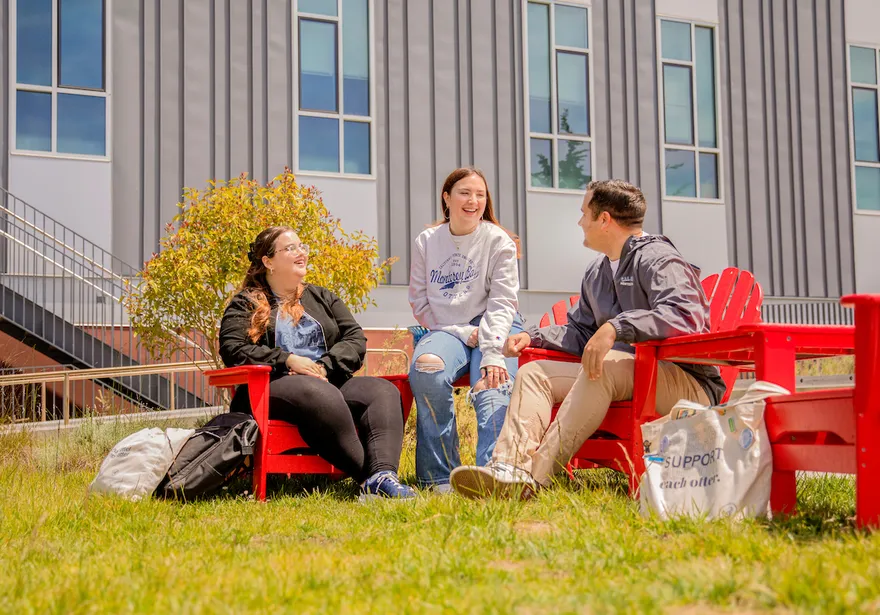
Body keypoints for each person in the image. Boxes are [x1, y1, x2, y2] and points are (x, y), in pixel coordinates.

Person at [449, 179, 726, 498]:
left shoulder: (658, 258)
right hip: (628, 374)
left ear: (604, 220)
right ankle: (510, 468)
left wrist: (615, 328)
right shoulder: (598, 273)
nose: (580, 222)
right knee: (535, 373)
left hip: (686, 382)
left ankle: (536, 479)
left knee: (601, 367)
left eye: (585, 214)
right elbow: (580, 331)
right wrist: (532, 336)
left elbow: (686, 315)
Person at [219, 226, 416, 500]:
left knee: (383, 391)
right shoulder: (247, 303)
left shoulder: (322, 297)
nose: (301, 253)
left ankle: (383, 476)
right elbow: (232, 349)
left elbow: (355, 338)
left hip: (327, 380)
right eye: (291, 248)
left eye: (302, 247)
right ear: (268, 261)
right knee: (316, 392)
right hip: (271, 388)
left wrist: (325, 366)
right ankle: (370, 479)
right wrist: (287, 359)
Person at [408, 167, 523, 492]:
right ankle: (439, 476)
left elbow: (502, 302)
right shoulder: (428, 241)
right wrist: (459, 331)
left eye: (480, 195)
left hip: (498, 322)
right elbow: (419, 300)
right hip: (446, 327)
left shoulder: (498, 241)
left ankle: (492, 474)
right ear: (446, 197)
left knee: (492, 382)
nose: (473, 201)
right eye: (464, 192)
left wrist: (491, 352)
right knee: (427, 368)